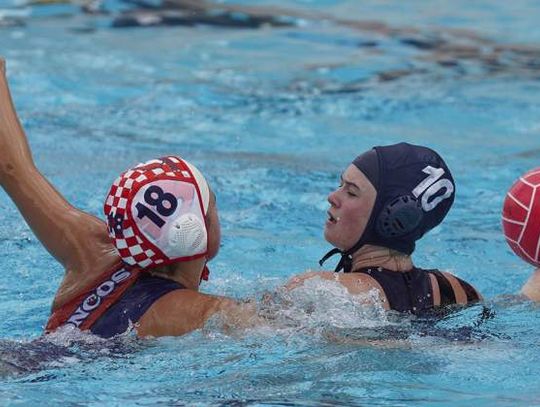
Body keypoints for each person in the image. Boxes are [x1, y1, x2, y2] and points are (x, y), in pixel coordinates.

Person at [0, 58, 255, 338]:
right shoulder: (197, 312)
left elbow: (13, 168)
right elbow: (280, 324)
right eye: (213, 204)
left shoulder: (94, 254)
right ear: (196, 230)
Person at [287, 142, 482, 313]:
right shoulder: (458, 292)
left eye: (352, 192)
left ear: (394, 217)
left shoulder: (318, 292)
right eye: (340, 185)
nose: (333, 197)